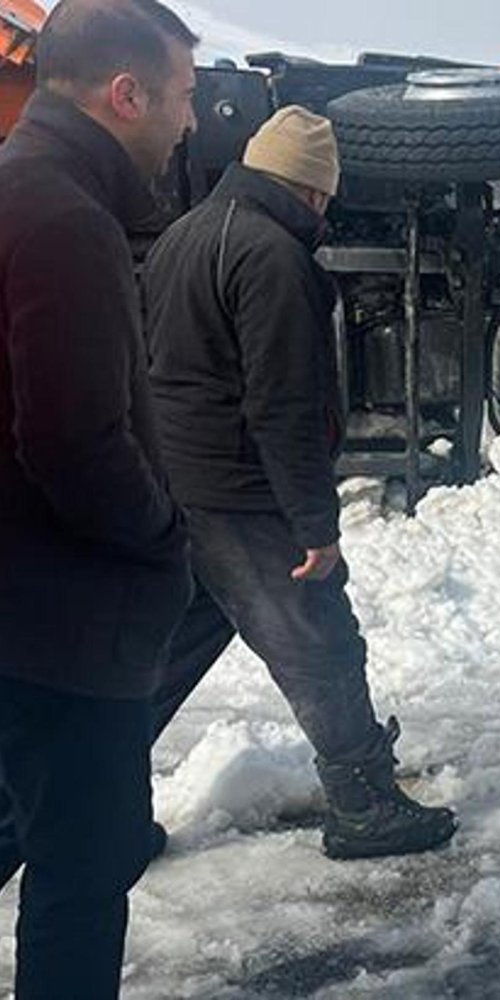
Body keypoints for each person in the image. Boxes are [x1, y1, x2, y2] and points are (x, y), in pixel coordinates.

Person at [144, 107, 458, 860]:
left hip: (178, 484)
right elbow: (285, 404)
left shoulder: (184, 234)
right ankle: (364, 806)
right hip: (241, 493)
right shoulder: (273, 257)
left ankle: (99, 815)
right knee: (321, 643)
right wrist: (315, 527)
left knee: (162, 657)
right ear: (313, 190)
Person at [0, 1, 198, 995]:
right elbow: (74, 441)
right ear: (127, 94)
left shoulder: (19, 187)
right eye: (183, 96)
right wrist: (162, 536)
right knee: (84, 875)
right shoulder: (65, 219)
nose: (190, 121)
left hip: (23, 612)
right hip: (63, 627)